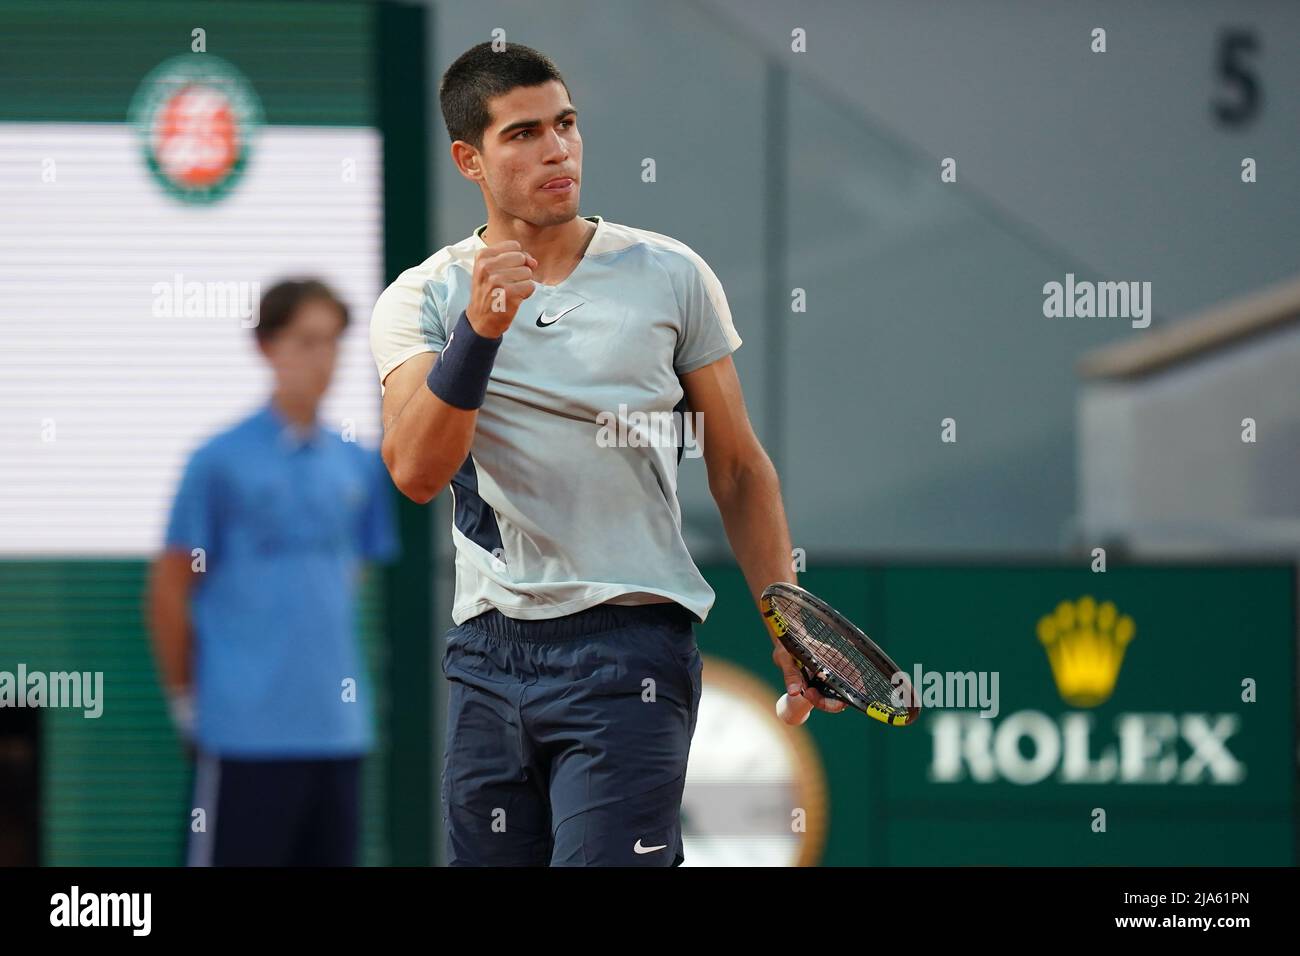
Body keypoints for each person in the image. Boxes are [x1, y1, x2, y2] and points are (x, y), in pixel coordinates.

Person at [370, 41, 843, 868]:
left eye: (566, 124)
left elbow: (736, 466)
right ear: (468, 160)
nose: (556, 150)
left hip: (631, 653)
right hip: (488, 656)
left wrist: (787, 620)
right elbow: (415, 470)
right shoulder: (426, 299)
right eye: (522, 134)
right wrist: (480, 330)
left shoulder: (671, 276)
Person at [147, 279, 398, 866]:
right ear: (267, 347)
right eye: (306, 341)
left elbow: (351, 575)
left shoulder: (357, 464)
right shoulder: (217, 462)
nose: (322, 359)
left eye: (333, 342)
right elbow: (168, 588)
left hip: (338, 734)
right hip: (244, 737)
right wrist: (188, 703)